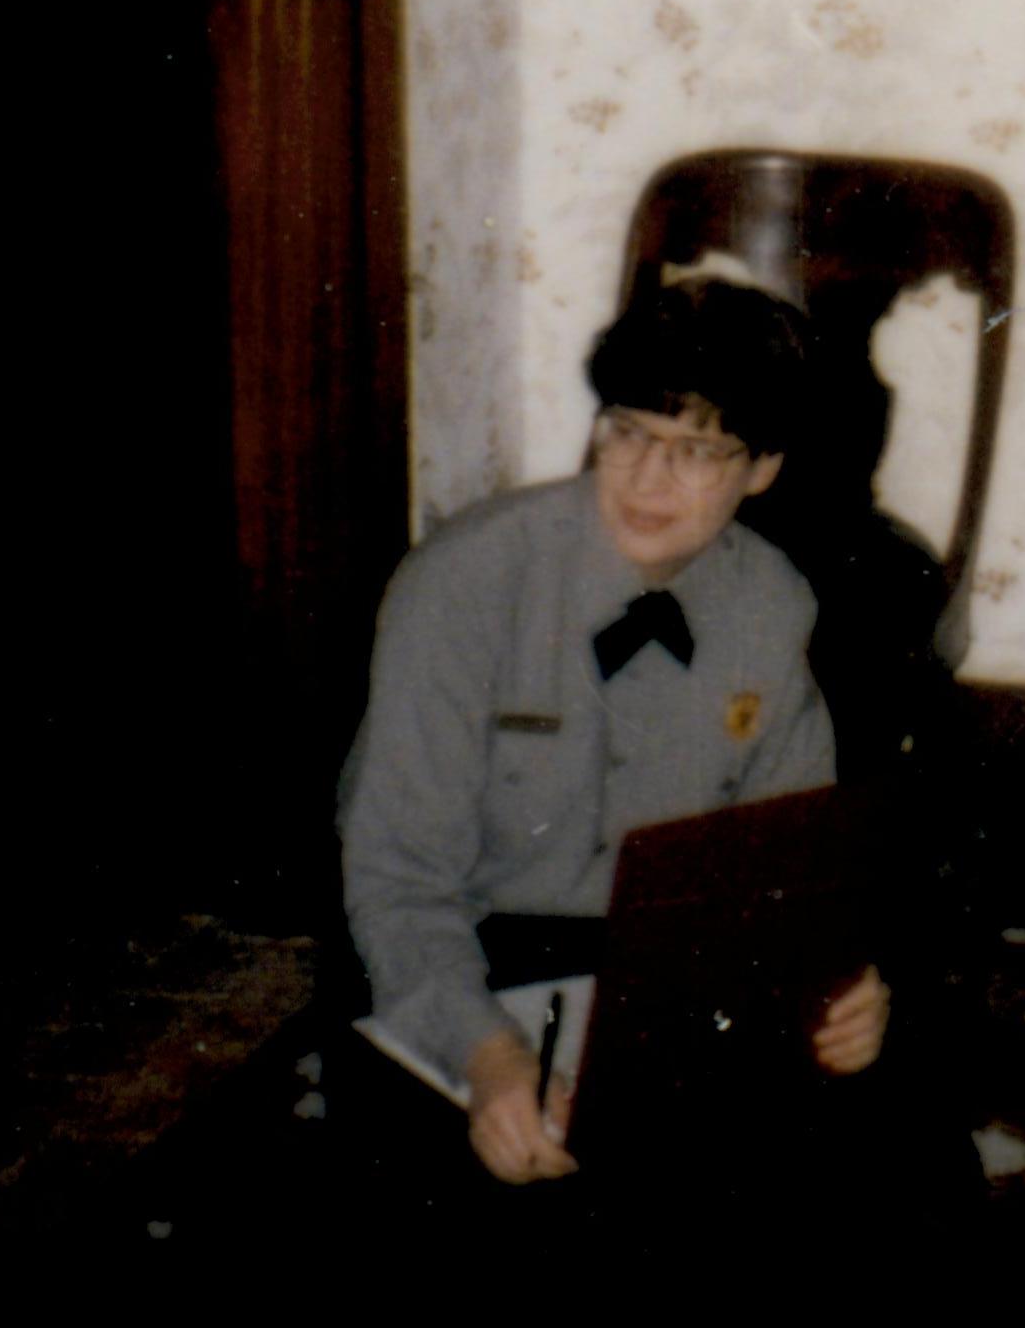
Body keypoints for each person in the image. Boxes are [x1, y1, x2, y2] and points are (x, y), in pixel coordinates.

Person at [337, 280, 890, 1191]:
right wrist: (488, 1057)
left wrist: (838, 988)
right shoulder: (464, 583)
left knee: (869, 1173)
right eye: (628, 431)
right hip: (458, 955)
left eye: (697, 451)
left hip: (658, 971)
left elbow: (788, 875)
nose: (646, 478)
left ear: (763, 468)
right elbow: (397, 882)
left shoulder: (774, 603)